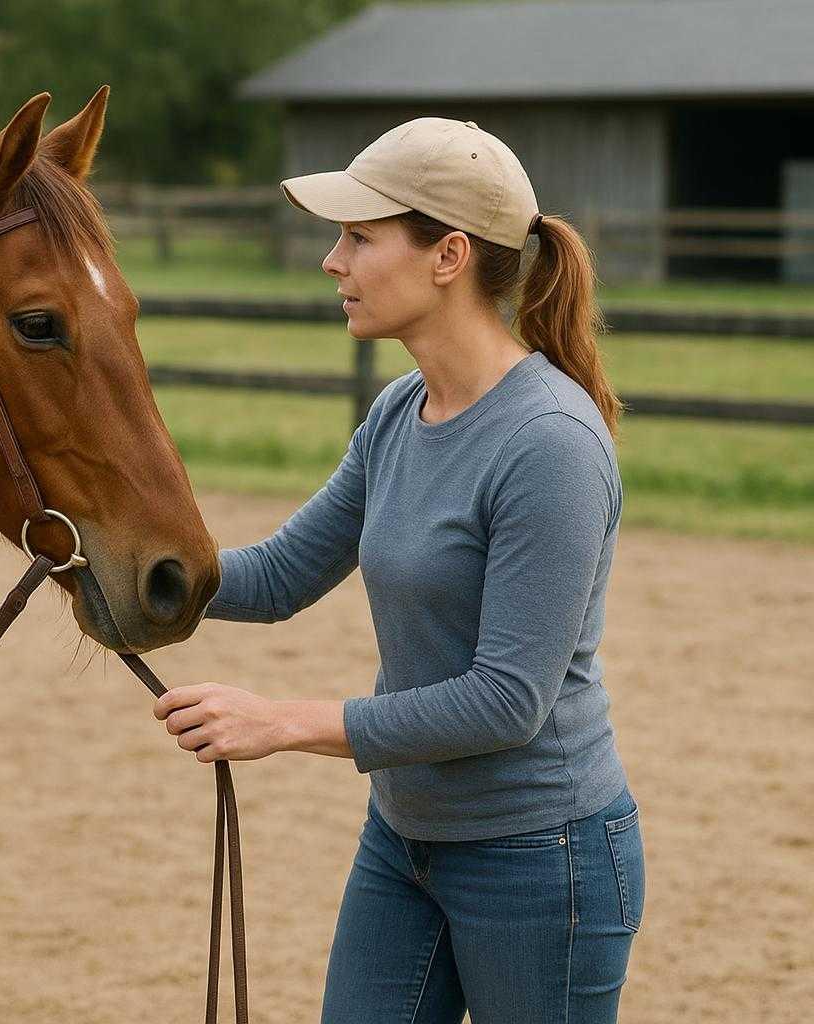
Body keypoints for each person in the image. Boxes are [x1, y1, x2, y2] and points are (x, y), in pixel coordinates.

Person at [153, 118, 645, 1023]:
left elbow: (506, 699)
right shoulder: (398, 411)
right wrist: (138, 575)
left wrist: (283, 722)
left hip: (543, 859)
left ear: (448, 255)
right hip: (405, 841)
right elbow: (284, 572)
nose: (332, 262)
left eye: (359, 236)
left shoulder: (550, 445)